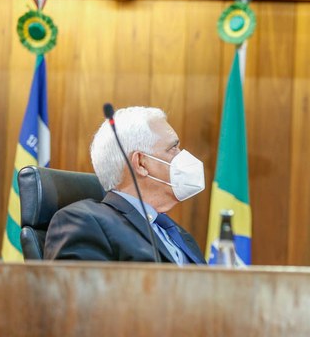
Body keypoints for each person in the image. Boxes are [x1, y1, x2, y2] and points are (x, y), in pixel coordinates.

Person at [45, 106, 207, 264]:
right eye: (173, 148)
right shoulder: (85, 222)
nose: (182, 156)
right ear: (141, 163)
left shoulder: (174, 231)